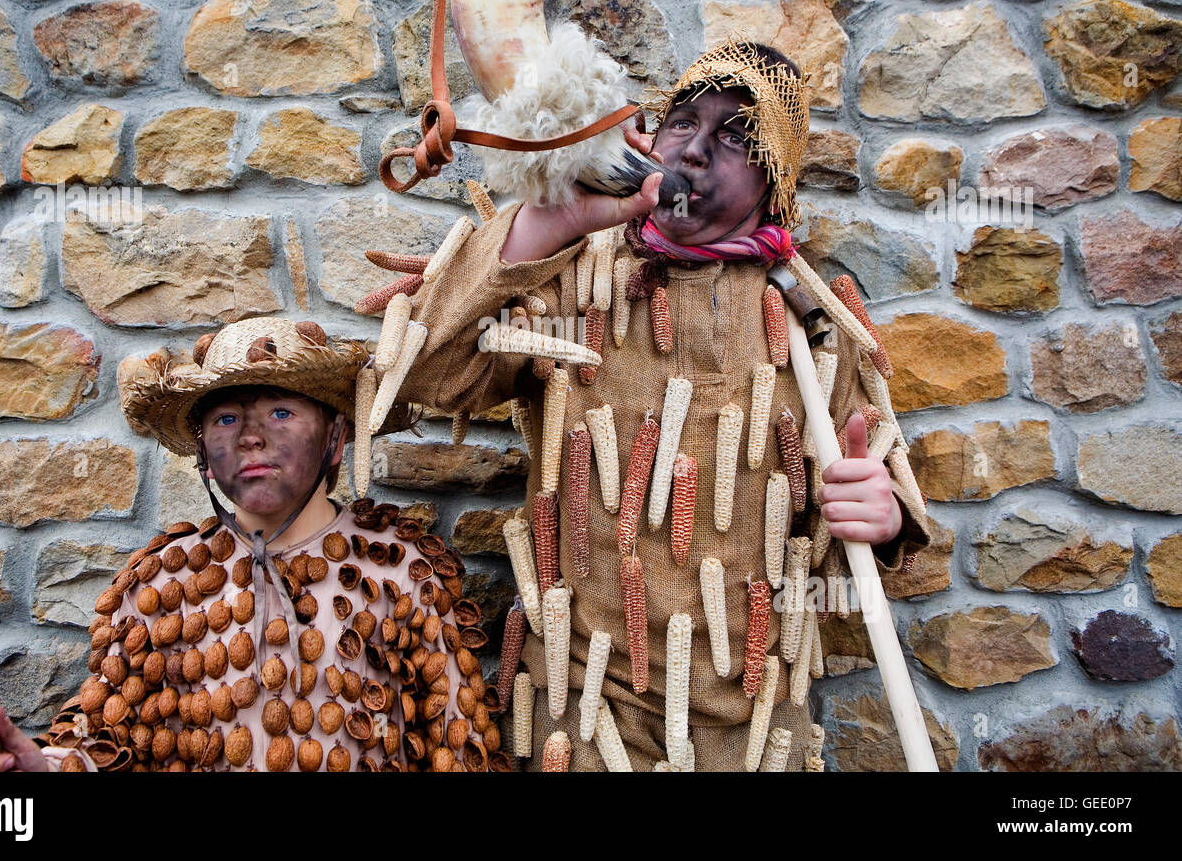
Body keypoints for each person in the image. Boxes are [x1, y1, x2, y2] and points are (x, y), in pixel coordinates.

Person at [387, 39, 932, 770]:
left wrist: (885, 513)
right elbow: (426, 373)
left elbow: (886, 483)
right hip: (578, 715)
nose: (696, 151)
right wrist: (551, 222)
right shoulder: (571, 281)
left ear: (776, 180)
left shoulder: (813, 321)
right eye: (683, 123)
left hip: (747, 726)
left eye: (736, 138)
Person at [0, 316, 505, 772]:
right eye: (226, 417)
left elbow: (460, 749)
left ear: (336, 439)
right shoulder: (161, 583)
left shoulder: (404, 573)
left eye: (281, 412)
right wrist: (38, 771)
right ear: (203, 454)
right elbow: (103, 737)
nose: (251, 436)